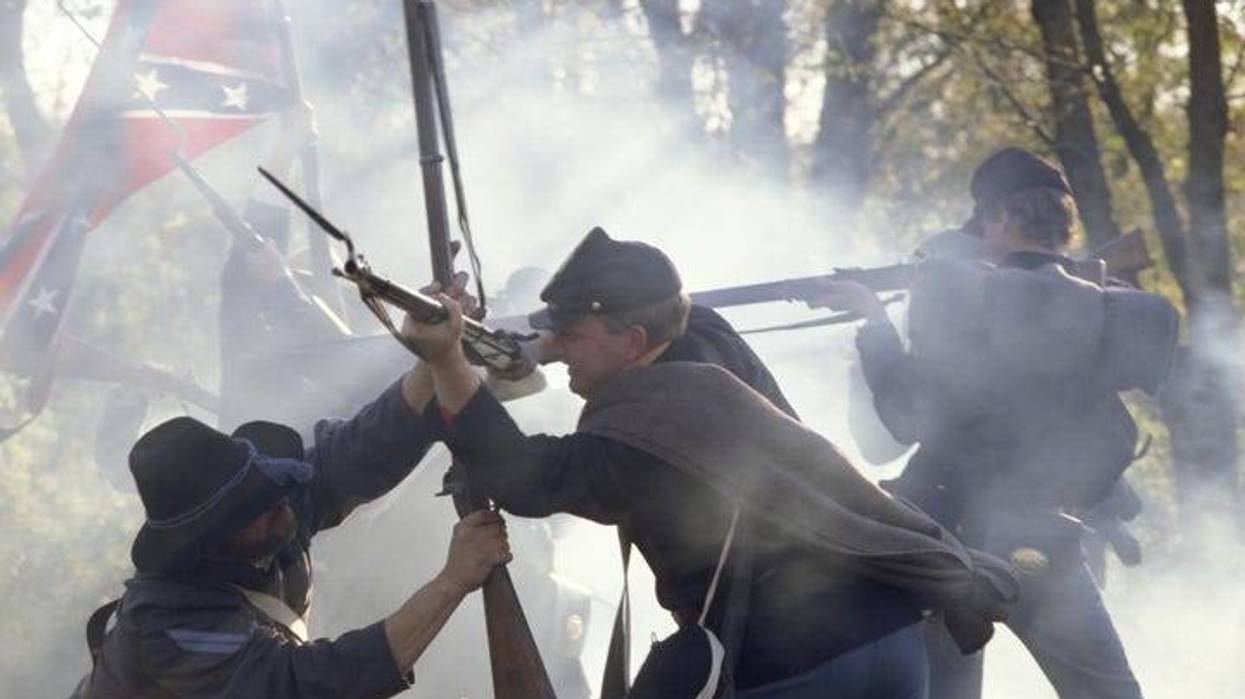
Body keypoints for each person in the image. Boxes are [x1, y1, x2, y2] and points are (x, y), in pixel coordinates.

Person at [406, 227, 1018, 698]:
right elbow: (669, 312)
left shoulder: (641, 432)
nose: (563, 352)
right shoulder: (706, 342)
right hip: (889, 636)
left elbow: (525, 479)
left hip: (798, 661)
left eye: (574, 335)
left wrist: (449, 364)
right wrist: (526, 344)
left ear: (634, 343)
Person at [817, 147, 1173, 699]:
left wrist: (874, 321)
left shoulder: (960, 299)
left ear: (1002, 217)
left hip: (953, 537)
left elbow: (907, 416)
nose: (983, 233)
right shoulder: (1103, 307)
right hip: (1046, 537)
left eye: (987, 219)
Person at [77, 344, 511, 698]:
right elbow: (307, 685)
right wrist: (451, 582)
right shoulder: (169, 621)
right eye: (250, 505)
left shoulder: (270, 510)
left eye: (263, 490)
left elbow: (359, 454)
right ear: (209, 539)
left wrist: (433, 359)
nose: (276, 502)